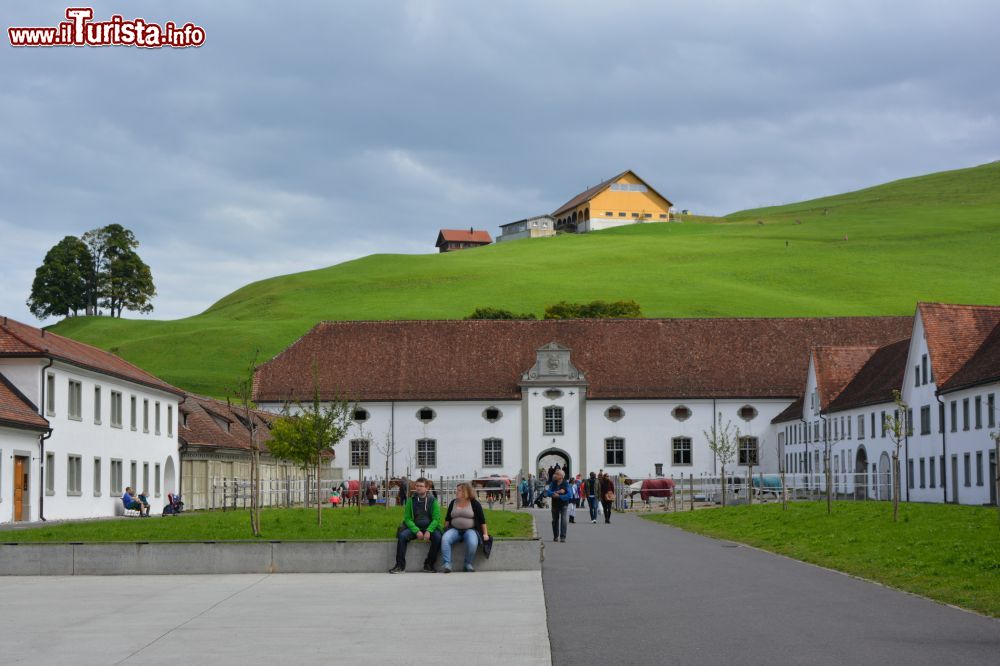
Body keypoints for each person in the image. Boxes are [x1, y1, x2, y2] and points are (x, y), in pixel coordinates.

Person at [390, 477, 442, 574]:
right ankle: (400, 566)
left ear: (427, 488)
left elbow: (436, 519)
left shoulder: (432, 500)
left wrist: (429, 530)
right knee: (402, 536)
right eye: (417, 486)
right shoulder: (411, 500)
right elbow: (407, 518)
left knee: (438, 538)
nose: (418, 488)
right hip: (415, 527)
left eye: (421, 486)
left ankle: (429, 564)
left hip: (430, 527)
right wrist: (416, 530)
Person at [441, 482, 489, 573]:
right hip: (454, 529)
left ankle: (468, 563)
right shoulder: (453, 503)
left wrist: (485, 534)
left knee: (473, 542)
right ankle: (447, 564)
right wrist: (445, 530)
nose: (456, 492)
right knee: (445, 539)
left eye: (459, 490)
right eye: (457, 490)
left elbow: (482, 521)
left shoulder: (474, 503)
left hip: (470, 530)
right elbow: (447, 518)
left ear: (466, 492)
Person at [545, 469, 571, 542]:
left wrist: (559, 496)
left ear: (561, 476)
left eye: (557, 474)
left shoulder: (566, 484)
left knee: (563, 520)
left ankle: (563, 537)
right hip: (555, 504)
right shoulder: (553, 483)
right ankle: (556, 536)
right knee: (555, 520)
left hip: (563, 504)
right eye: (555, 474)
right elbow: (548, 492)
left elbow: (569, 495)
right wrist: (557, 492)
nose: (555, 475)